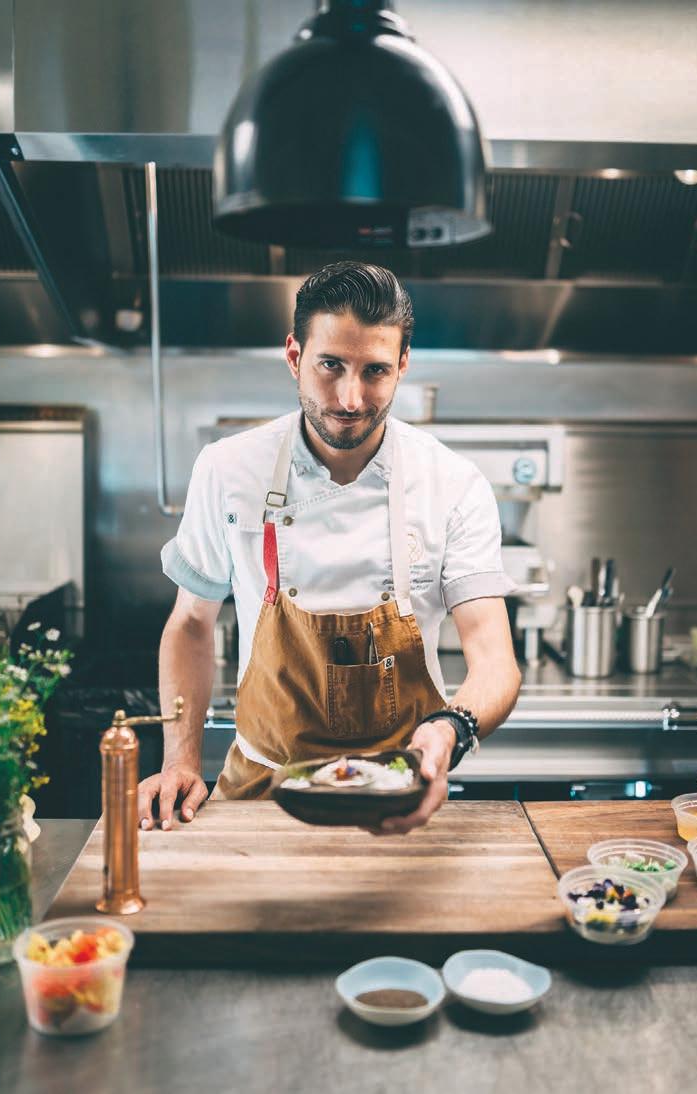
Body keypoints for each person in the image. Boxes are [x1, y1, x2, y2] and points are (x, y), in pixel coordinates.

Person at [138, 261, 521, 835]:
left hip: (400, 793)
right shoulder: (227, 469)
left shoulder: (452, 483)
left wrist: (450, 730)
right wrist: (180, 761)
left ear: (403, 365)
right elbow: (191, 623)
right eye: (331, 365)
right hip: (260, 794)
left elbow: (494, 660)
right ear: (294, 356)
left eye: (375, 371)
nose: (350, 398)